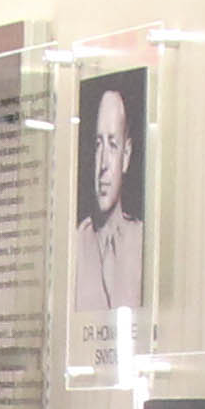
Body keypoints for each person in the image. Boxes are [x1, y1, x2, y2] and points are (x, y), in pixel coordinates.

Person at [70, 70, 148, 320]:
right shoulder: (75, 246)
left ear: (126, 156)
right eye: (97, 145)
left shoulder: (142, 242)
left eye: (112, 145)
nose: (103, 163)